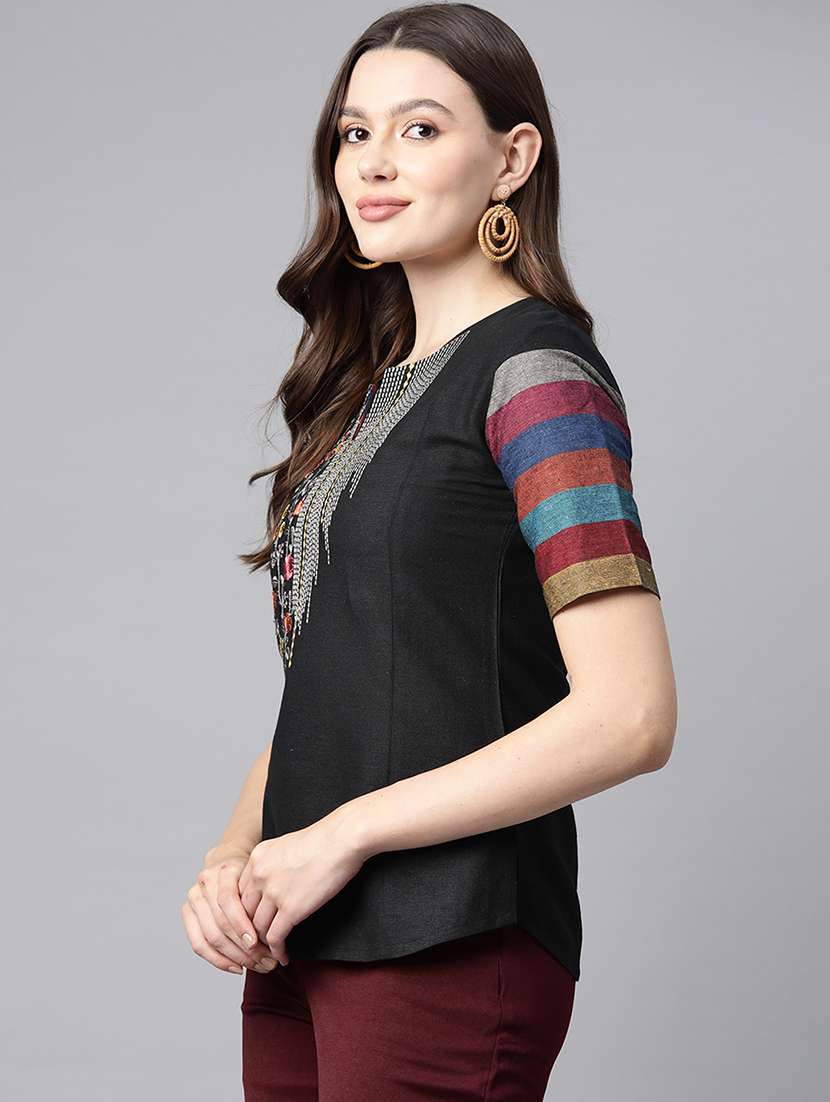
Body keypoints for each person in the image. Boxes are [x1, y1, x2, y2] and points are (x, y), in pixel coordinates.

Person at [180, 4, 677, 1099]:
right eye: (354, 133)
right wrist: (233, 855)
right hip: (300, 932)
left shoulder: (538, 377)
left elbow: (631, 714)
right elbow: (337, 685)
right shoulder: (362, 397)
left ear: (512, 158)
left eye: (418, 128)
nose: (372, 162)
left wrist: (344, 836)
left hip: (447, 937)